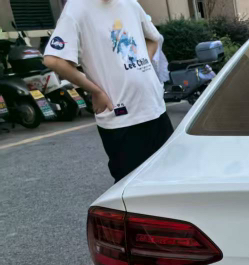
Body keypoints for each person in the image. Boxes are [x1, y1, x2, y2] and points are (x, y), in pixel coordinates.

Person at [44, 0, 172, 182]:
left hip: (155, 107)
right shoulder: (76, 9)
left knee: (168, 176)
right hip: (121, 117)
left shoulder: (130, 3)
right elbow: (54, 60)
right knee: (131, 185)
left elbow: (153, 38)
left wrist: (143, 64)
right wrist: (96, 91)